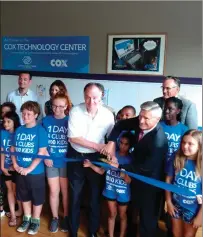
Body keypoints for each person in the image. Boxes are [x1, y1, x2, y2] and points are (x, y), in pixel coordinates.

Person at [101, 101, 168, 237]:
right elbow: (120, 124)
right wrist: (112, 142)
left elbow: (147, 168)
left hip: (150, 180)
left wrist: (120, 166)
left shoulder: (159, 140)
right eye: (140, 116)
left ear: (157, 119)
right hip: (134, 173)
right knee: (133, 207)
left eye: (146, 118)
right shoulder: (140, 121)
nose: (141, 121)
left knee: (147, 215)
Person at [67, 82, 115, 237]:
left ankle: (92, 231)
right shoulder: (75, 111)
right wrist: (98, 146)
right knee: (75, 196)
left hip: (97, 157)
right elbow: (74, 138)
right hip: (77, 155)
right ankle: (73, 230)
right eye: (87, 97)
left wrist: (109, 153)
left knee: (95, 197)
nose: (91, 101)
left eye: (94, 98)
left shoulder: (107, 114)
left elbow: (112, 138)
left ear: (101, 97)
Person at [83, 132, 133, 237]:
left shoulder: (131, 159)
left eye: (126, 144)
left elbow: (128, 180)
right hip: (110, 189)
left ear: (130, 145)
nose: (122, 146)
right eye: (121, 143)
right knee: (112, 214)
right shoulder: (112, 155)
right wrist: (90, 165)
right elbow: (101, 171)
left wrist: (122, 171)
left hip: (123, 192)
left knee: (123, 216)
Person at [10, 101, 48, 235]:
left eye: (29, 114)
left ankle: (35, 220)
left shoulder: (40, 130)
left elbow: (42, 152)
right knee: (24, 195)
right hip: (20, 170)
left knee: (37, 197)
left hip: (35, 172)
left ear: (36, 115)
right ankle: (26, 218)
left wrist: (29, 169)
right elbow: (13, 148)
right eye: (23, 113)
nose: (25, 116)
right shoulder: (19, 129)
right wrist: (15, 164)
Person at [42, 92, 72, 233]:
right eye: (55, 106)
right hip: (51, 161)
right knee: (54, 191)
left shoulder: (70, 120)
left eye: (61, 106)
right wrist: (45, 155)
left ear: (66, 106)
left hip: (66, 161)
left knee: (65, 191)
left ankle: (65, 216)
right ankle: (55, 217)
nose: (57, 109)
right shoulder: (46, 120)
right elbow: (40, 140)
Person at [165, 129, 202, 237]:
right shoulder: (176, 158)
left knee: (188, 235)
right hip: (176, 204)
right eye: (183, 142)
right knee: (176, 233)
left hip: (193, 208)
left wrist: (200, 216)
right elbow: (168, 181)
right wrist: (169, 202)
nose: (185, 146)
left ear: (199, 146)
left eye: (190, 144)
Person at [1, 111, 22, 227]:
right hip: (6, 167)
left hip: (17, 167)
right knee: (10, 190)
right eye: (4, 121)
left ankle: (21, 211)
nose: (5, 124)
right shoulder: (2, 133)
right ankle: (13, 215)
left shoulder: (19, 133)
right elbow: (2, 151)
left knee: (16, 191)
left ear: (14, 122)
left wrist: (15, 166)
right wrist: (2, 166)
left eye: (8, 121)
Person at [161, 97, 188, 165]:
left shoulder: (184, 129)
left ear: (178, 111)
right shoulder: (158, 126)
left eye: (170, 109)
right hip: (159, 163)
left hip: (174, 164)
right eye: (165, 108)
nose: (166, 111)